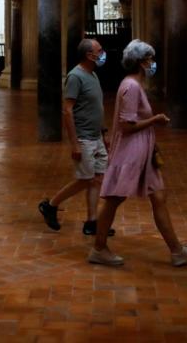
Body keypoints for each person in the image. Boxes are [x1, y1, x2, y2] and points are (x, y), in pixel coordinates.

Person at [87, 39, 187, 267]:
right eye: (150, 59)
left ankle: (177, 251)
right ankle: (99, 248)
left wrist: (153, 142)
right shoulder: (131, 87)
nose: (153, 63)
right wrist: (155, 120)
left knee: (159, 197)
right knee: (113, 199)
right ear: (141, 62)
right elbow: (127, 126)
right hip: (130, 152)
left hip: (143, 151)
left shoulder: (135, 85)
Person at [38, 39, 115, 236]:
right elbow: (67, 110)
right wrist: (75, 143)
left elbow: (95, 108)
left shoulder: (93, 74)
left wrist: (103, 132)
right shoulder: (75, 77)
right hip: (84, 138)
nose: (103, 53)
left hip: (96, 136)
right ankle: (51, 205)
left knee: (97, 179)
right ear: (90, 55)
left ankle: (92, 222)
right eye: (99, 50)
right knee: (84, 179)